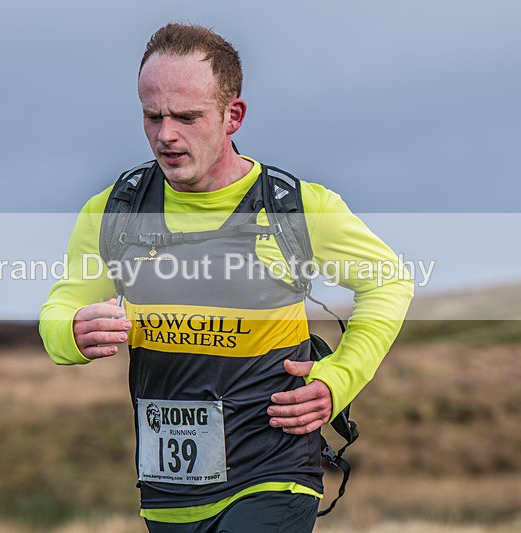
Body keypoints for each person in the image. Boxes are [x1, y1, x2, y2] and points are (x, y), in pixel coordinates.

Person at [40, 22, 414, 533]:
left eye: (187, 117)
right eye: (153, 116)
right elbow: (59, 312)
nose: (166, 135)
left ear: (232, 115)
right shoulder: (115, 212)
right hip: (169, 490)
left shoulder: (297, 209)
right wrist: (72, 331)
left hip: (274, 471)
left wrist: (339, 379)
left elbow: (388, 281)